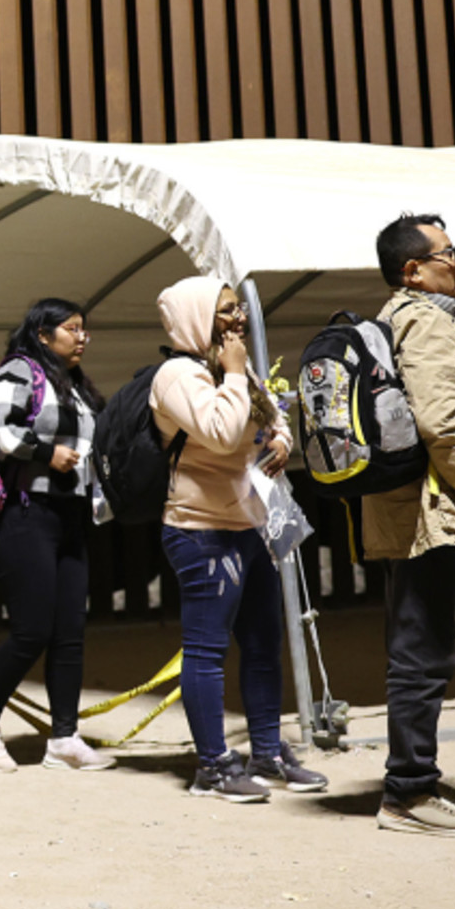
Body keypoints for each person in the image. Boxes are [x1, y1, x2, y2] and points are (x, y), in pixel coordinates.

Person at [150, 275, 328, 802]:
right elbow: (224, 433)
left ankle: (267, 752)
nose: (239, 319)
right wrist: (233, 372)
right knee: (206, 652)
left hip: (249, 524)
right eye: (226, 310)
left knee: (263, 643)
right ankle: (212, 767)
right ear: (196, 318)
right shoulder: (177, 376)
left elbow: (270, 416)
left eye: (238, 309)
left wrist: (281, 440)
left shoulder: (231, 366)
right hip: (201, 531)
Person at [363, 215, 455, 837]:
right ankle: (409, 794)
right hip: (430, 514)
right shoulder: (423, 322)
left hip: (426, 510)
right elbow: (443, 424)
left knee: (421, 647)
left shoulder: (423, 319)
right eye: (449, 253)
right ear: (413, 270)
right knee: (422, 652)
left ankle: (412, 785)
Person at [0, 298, 114, 773]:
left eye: (84, 329)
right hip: (26, 516)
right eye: (71, 329)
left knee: (70, 633)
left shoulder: (76, 385)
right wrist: (45, 453)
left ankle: (64, 738)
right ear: (43, 335)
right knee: (32, 630)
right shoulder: (20, 371)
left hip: (69, 516)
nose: (82, 337)